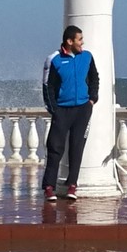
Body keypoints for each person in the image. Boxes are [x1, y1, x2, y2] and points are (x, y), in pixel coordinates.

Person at [41, 25, 98, 201]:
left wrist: (92, 99)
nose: (83, 42)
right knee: (55, 147)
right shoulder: (54, 59)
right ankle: (49, 187)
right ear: (70, 41)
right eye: (80, 39)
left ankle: (72, 185)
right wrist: (54, 110)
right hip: (62, 110)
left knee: (76, 146)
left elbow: (95, 78)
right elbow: (47, 87)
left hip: (82, 109)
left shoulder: (87, 57)